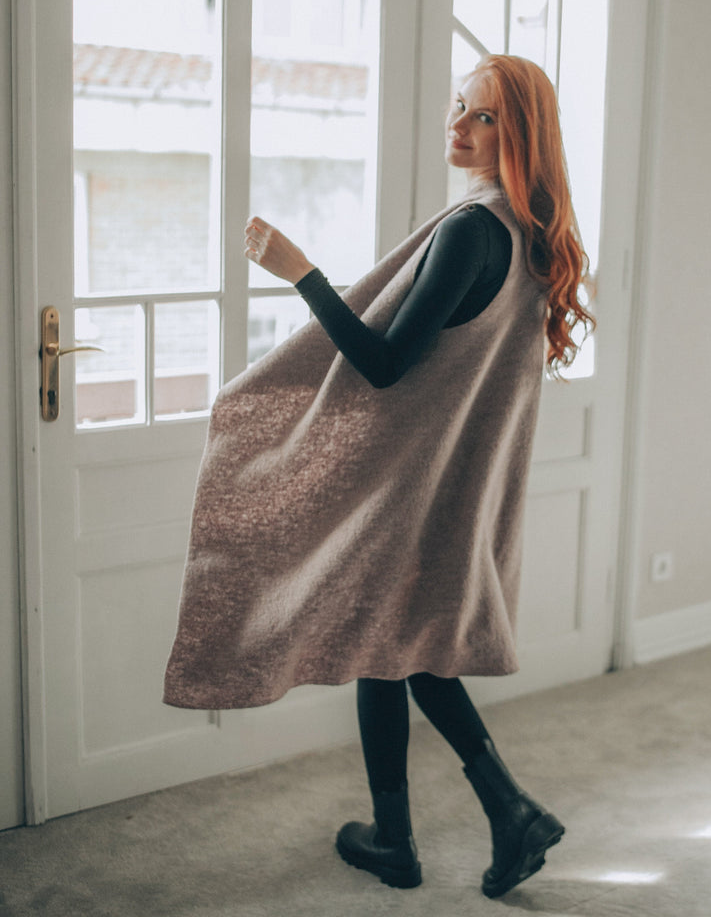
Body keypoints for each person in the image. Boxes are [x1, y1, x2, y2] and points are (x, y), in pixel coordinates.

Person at [163, 55, 593, 898]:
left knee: (394, 650)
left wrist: (301, 272)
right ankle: (437, 828)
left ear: (521, 135)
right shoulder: (530, 236)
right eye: (458, 107)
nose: (458, 126)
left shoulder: (473, 231)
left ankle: (474, 819)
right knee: (393, 651)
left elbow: (385, 364)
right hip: (446, 485)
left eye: (483, 117)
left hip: (405, 488)